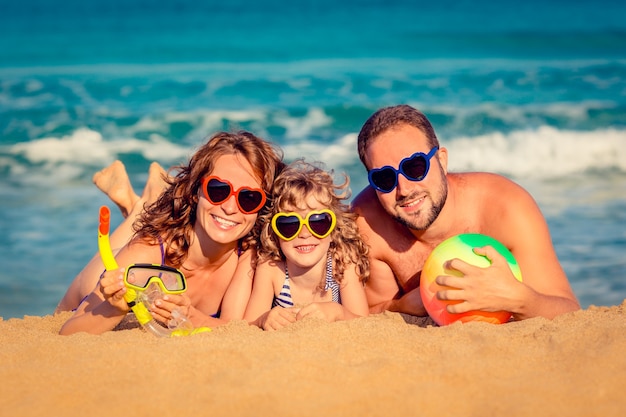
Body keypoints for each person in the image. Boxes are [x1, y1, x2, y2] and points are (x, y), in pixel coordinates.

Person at [351, 104, 580, 321]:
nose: (404, 189)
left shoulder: (506, 208)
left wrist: (519, 300)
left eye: (415, 167)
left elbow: (569, 312)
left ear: (441, 160)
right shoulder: (368, 224)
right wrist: (398, 306)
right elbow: (363, 315)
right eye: (384, 178)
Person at [58, 131, 284, 335]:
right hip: (115, 269)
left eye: (249, 198)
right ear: (195, 190)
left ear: (262, 207)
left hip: (172, 238)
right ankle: (141, 204)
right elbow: (68, 331)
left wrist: (192, 317)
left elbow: (233, 328)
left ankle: (140, 203)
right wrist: (114, 307)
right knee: (128, 247)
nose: (231, 207)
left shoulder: (247, 253)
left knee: (147, 222)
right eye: (218, 190)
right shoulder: (148, 250)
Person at [244, 160, 370, 330]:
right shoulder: (271, 270)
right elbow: (247, 324)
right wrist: (263, 319)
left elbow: (364, 323)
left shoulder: (343, 265)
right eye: (289, 224)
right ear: (274, 232)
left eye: (318, 222)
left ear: (334, 230)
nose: (304, 233)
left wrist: (338, 312)